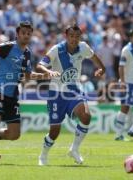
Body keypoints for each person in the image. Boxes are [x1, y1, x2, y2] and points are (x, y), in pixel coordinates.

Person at [0, 21, 53, 165]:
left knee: (14, 134)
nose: (26, 35)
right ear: (18, 34)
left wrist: (47, 75)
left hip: (12, 95)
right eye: (23, 33)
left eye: (29, 33)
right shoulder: (8, 46)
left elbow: (28, 75)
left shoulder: (27, 53)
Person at [37, 24, 105, 165]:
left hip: (74, 90)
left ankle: (74, 149)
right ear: (66, 36)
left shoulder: (84, 47)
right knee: (54, 131)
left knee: (86, 116)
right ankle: (43, 156)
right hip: (56, 93)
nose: (74, 39)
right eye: (71, 36)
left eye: (77, 36)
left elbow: (95, 59)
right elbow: (40, 65)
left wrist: (101, 68)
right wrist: (49, 72)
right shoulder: (57, 50)